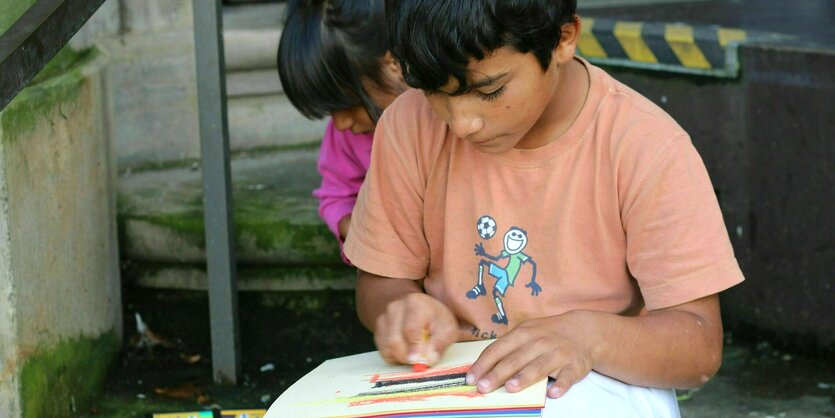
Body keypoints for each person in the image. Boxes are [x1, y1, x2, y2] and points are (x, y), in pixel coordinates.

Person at [343, 0, 745, 416]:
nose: (461, 123)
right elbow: (380, 283)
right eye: (435, 92)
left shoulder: (646, 147)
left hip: (595, 382)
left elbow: (697, 346)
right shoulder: (408, 125)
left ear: (563, 39)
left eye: (489, 90)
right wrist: (400, 309)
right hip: (450, 386)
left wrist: (589, 338)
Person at [277, 0, 406, 263]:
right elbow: (336, 197)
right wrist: (356, 228)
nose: (340, 124)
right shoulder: (347, 137)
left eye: (348, 104)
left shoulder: (450, 119)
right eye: (330, 112)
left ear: (394, 65)